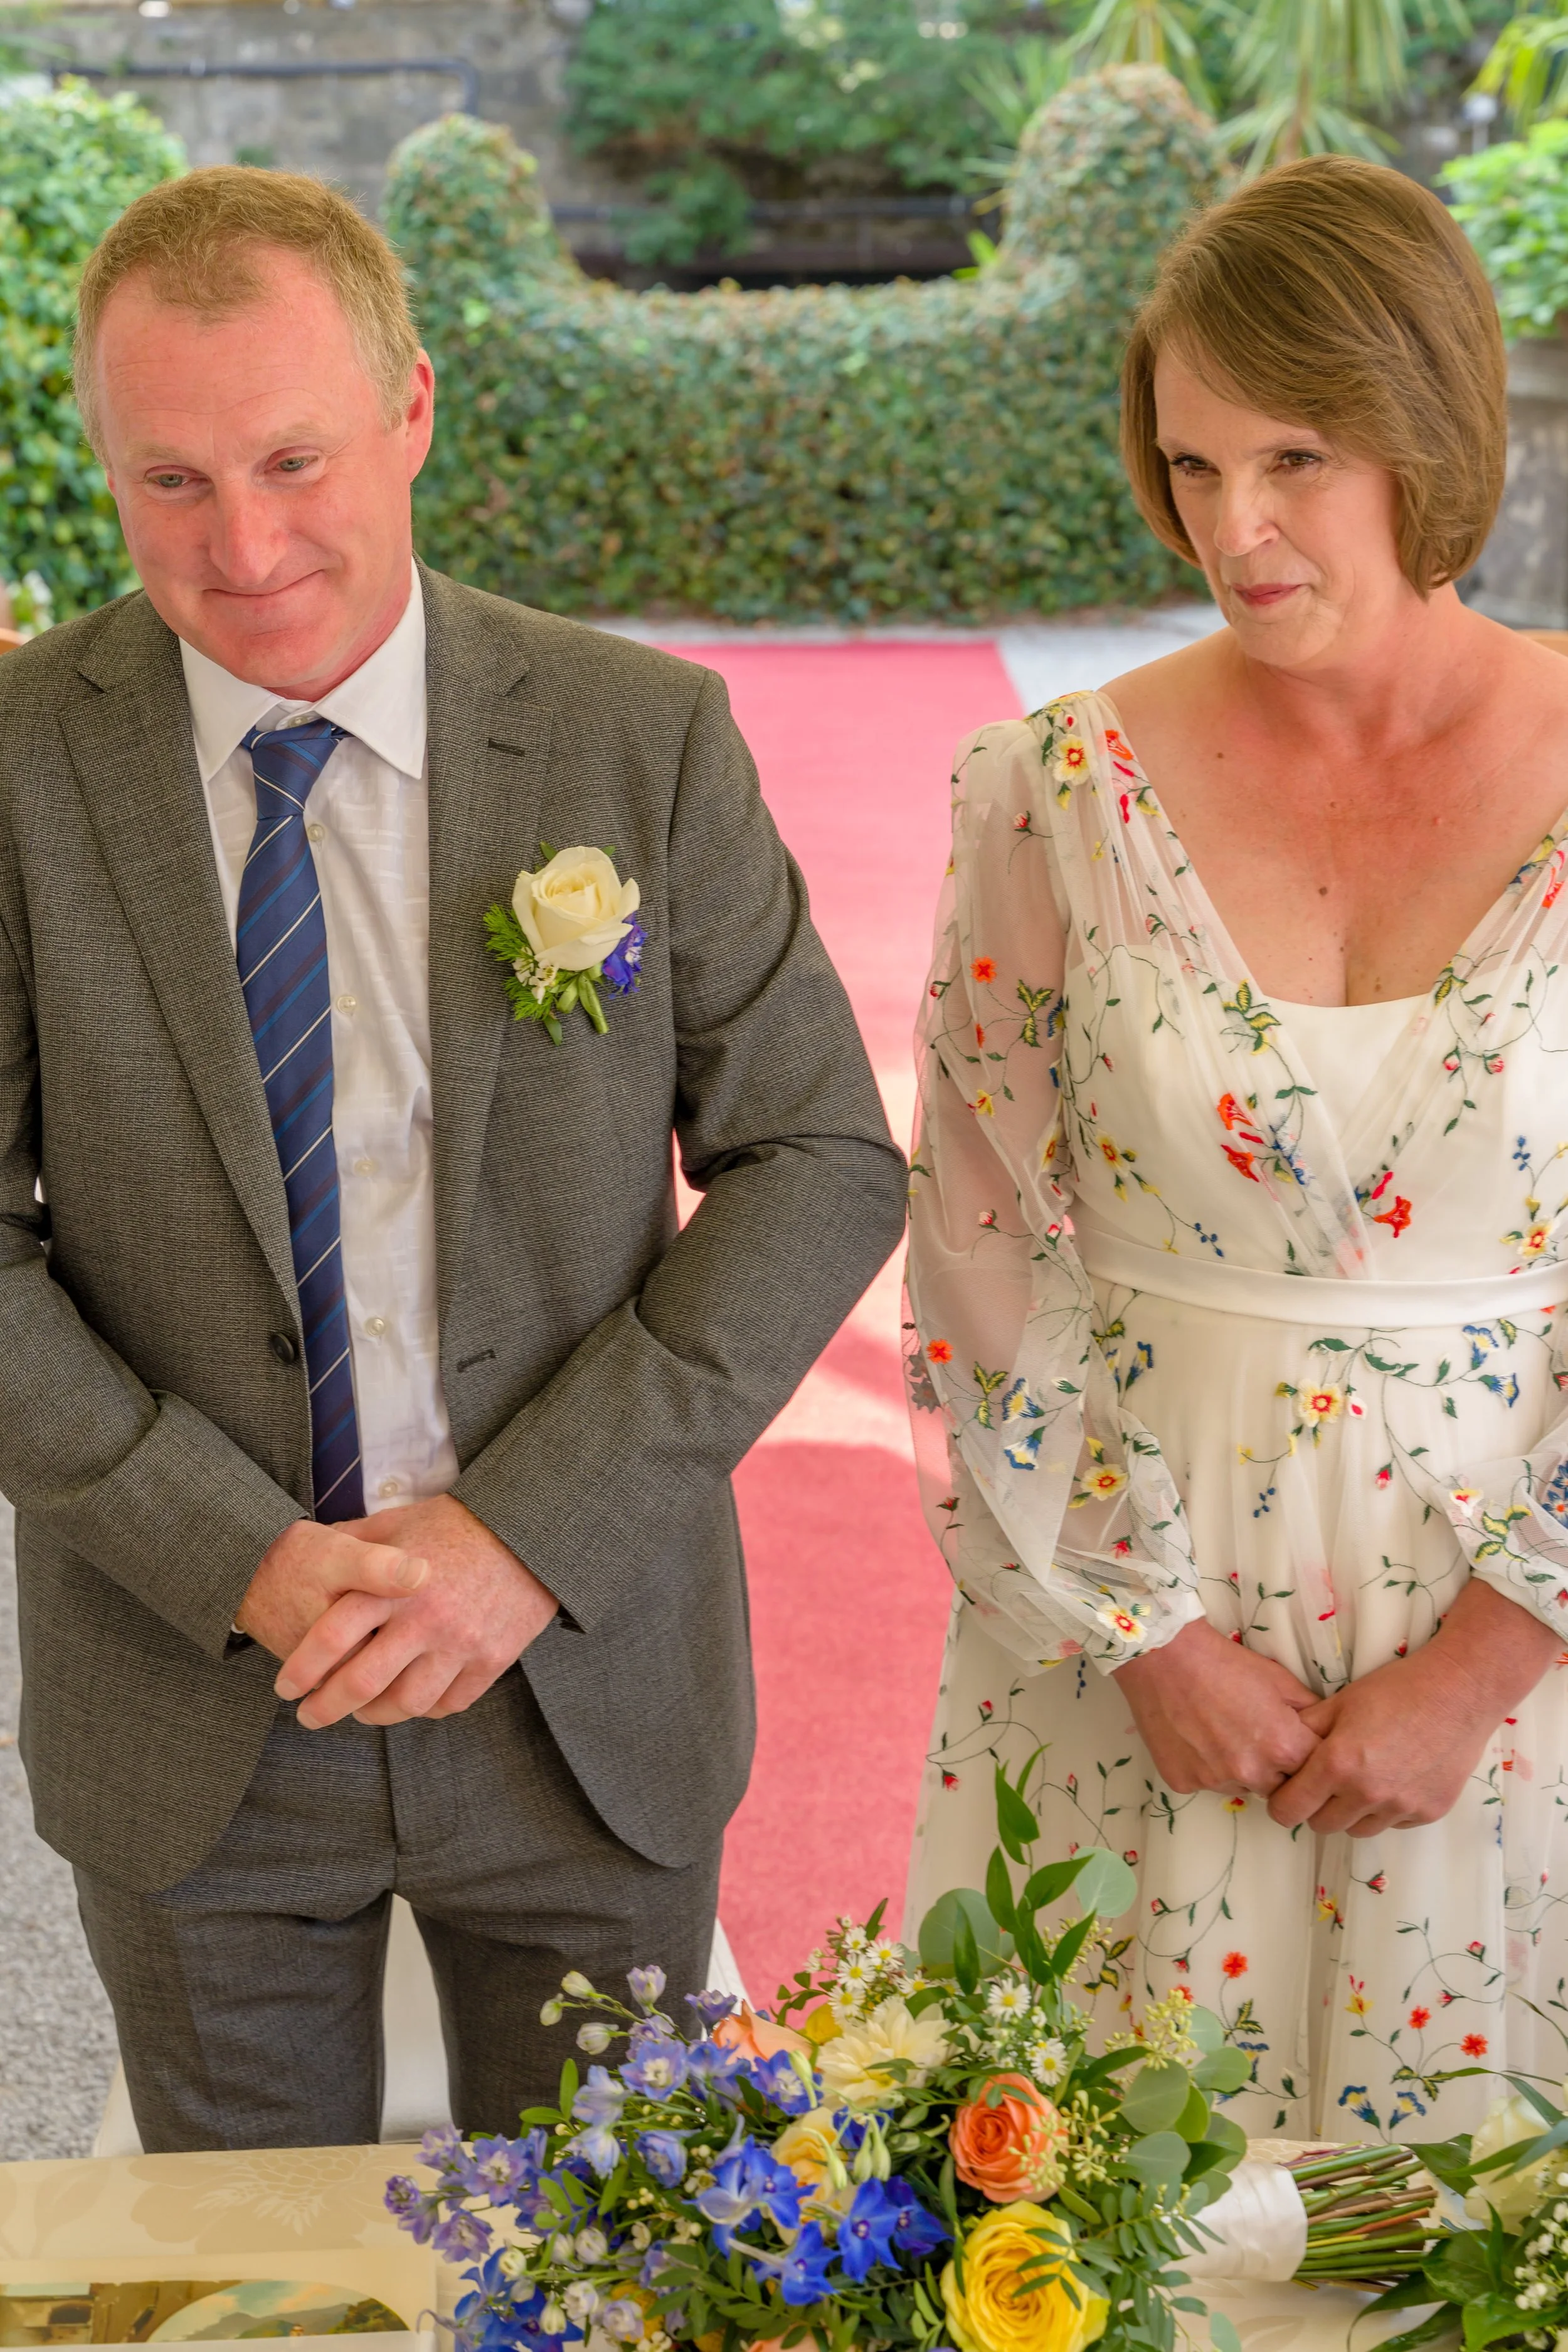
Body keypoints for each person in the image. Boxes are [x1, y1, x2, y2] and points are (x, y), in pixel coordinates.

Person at [0, 166, 906, 2153]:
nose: (243, 546)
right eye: (170, 482)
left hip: (579, 1692)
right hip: (192, 1701)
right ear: (99, 463)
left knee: (617, 2272)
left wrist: (526, 1538)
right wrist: (227, 1554)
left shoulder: (637, 741)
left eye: (294, 457)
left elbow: (821, 1158)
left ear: (412, 408)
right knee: (242, 2298)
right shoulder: (18, 769)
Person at [904, 153, 1568, 2140]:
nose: (1235, 529)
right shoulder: (1052, 788)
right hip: (1130, 1636)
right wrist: (1143, 1630)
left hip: (1520, 1664)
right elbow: (975, 1240)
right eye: (1192, 468)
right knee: (1100, 2225)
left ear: (1431, 428)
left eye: (1294, 457)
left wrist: (1482, 1660)